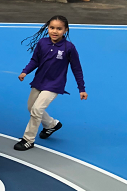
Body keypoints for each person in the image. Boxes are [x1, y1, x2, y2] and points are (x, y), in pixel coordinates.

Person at [14, 16, 87, 151]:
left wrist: (81, 88)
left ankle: (28, 140)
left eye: (59, 28)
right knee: (31, 107)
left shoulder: (69, 48)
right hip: (39, 81)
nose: (55, 31)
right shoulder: (42, 43)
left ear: (65, 30)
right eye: (52, 28)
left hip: (54, 85)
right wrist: (25, 72)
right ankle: (51, 125)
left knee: (37, 110)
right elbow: (35, 60)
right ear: (48, 28)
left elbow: (76, 68)